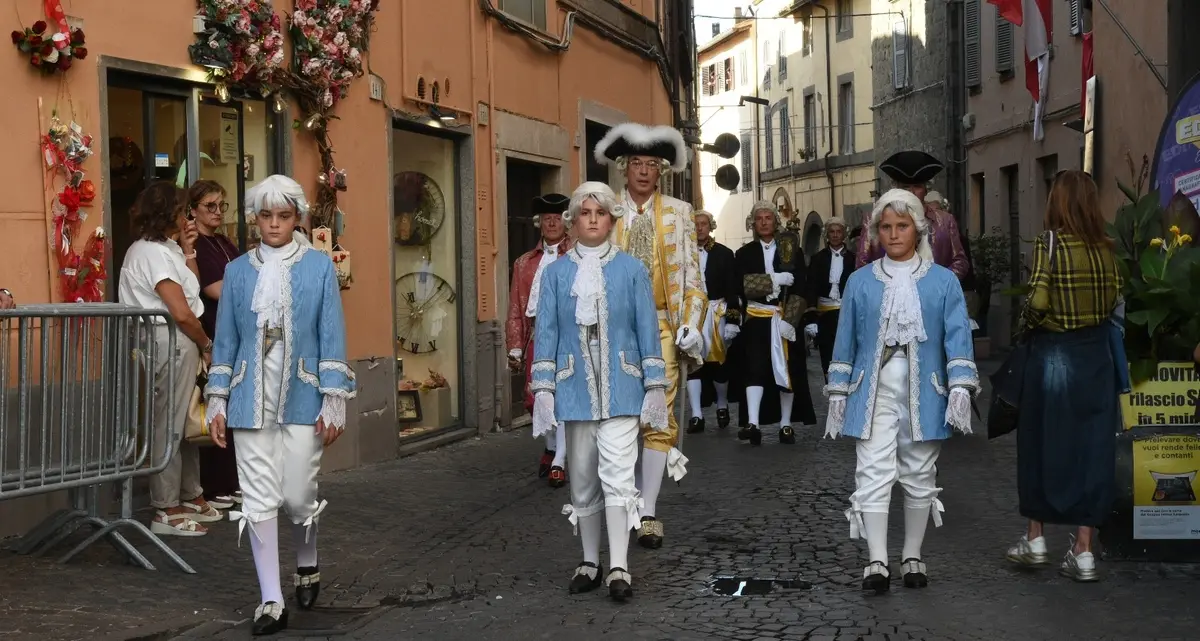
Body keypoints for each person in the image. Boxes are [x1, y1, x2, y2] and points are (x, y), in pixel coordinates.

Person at [204, 174, 355, 635]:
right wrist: (217, 399)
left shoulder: (318, 266)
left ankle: (307, 562)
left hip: (304, 396)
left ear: (297, 217)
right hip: (250, 398)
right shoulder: (236, 272)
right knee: (258, 499)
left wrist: (334, 399)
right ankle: (271, 599)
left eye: (283, 215)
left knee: (298, 495)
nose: (273, 224)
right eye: (265, 215)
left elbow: (331, 331)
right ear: (255, 218)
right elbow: (225, 339)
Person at [825, 188, 979, 594]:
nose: (893, 234)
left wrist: (960, 386)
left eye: (902, 226)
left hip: (924, 392)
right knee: (872, 471)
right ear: (877, 232)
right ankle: (876, 559)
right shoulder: (859, 282)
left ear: (918, 229)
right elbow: (846, 342)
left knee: (918, 473)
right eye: (886, 227)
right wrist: (839, 391)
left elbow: (957, 337)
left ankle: (912, 555)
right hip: (870, 392)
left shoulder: (944, 282)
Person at [530, 181, 668, 602]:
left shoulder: (632, 269)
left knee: (618, 475)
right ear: (573, 221)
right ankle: (590, 561)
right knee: (584, 479)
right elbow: (547, 332)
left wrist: (655, 384)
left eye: (600, 213)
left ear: (611, 220)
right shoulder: (554, 273)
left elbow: (647, 328)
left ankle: (620, 565)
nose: (592, 219)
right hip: (575, 389)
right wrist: (544, 388)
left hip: (624, 387)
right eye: (585, 213)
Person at [1005, 170, 1123, 583]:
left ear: (1058, 202)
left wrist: (1023, 329)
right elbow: (1113, 301)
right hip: (1095, 359)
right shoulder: (1107, 249)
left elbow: (1038, 298)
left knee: (1041, 443)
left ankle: (1036, 539)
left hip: (1053, 356)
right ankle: (1084, 550)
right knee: (1093, 449)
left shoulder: (1048, 244)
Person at [594, 122, 704, 549]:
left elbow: (693, 279)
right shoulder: (606, 211)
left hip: (662, 325)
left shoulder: (678, 213)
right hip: (615, 329)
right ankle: (624, 499)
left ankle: (650, 512)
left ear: (661, 172)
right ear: (623, 169)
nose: (643, 171)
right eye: (636, 163)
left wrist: (691, 324)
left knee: (660, 416)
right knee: (620, 416)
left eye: (651, 165)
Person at [118, 180, 222, 537]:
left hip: (182, 342)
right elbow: (180, 310)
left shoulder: (169, 249)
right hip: (170, 343)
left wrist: (189, 250)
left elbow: (191, 291)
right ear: (167, 214)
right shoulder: (150, 252)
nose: (187, 217)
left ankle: (190, 494)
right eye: (182, 211)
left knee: (186, 420)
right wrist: (207, 342)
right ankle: (166, 507)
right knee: (169, 424)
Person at [730, 201, 816, 446]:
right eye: (760, 218)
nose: (765, 222)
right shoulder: (744, 253)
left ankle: (786, 424)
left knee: (786, 371)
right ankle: (753, 423)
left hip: (784, 317)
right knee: (754, 369)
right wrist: (772, 279)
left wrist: (792, 320)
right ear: (753, 223)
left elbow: (801, 286)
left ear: (776, 222)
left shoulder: (791, 250)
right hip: (757, 318)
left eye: (769, 217)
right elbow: (742, 285)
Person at [507, 193, 573, 487]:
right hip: (537, 335)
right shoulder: (523, 263)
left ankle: (560, 458)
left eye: (557, 218)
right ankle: (550, 446)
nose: (552, 223)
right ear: (539, 224)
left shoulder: (577, 255)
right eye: (547, 218)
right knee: (538, 400)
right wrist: (515, 344)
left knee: (564, 398)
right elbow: (516, 308)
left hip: (569, 335)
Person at [188, 179, 244, 510]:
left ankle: (231, 479)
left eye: (221, 205)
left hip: (233, 333)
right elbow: (213, 289)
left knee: (233, 407)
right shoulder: (196, 246)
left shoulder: (224, 241)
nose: (217, 212)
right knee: (213, 407)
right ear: (193, 209)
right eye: (210, 206)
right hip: (212, 330)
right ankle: (214, 484)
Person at [857, 151, 971, 282]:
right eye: (905, 187)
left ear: (926, 189)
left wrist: (939, 284)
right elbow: (862, 263)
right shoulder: (875, 218)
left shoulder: (945, 221)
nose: (911, 192)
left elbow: (960, 261)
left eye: (917, 186)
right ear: (896, 189)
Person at [686, 210, 740, 433]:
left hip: (717, 311)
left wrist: (733, 320)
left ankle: (722, 405)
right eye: (695, 224)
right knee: (692, 362)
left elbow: (732, 288)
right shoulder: (683, 254)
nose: (699, 228)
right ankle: (696, 414)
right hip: (691, 313)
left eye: (703, 224)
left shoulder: (724, 254)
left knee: (719, 362)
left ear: (711, 226)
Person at [803, 217, 856, 379]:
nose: (835, 235)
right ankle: (830, 385)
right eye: (831, 232)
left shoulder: (853, 259)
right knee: (827, 353)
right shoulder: (818, 259)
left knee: (848, 351)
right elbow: (811, 287)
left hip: (846, 313)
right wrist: (811, 319)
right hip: (825, 315)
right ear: (827, 235)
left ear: (844, 234)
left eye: (838, 231)